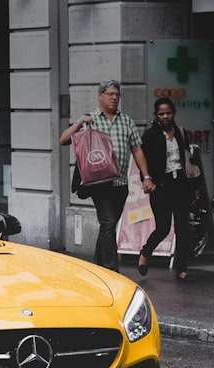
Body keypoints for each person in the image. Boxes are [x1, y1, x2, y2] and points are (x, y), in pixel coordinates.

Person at [60, 80, 151, 272]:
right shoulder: (91, 118)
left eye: (117, 95)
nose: (114, 98)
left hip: (121, 183)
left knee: (107, 225)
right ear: (100, 96)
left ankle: (97, 267)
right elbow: (63, 140)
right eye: (110, 94)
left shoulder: (126, 121)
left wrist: (146, 176)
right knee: (108, 222)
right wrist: (79, 124)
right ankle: (111, 270)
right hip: (99, 183)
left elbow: (137, 149)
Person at [136, 96, 195, 282]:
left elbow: (188, 161)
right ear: (156, 115)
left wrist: (195, 186)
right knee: (163, 227)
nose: (165, 116)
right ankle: (146, 252)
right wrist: (147, 181)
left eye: (168, 113)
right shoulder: (150, 135)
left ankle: (181, 269)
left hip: (180, 184)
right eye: (161, 114)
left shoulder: (180, 132)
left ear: (173, 113)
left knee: (182, 228)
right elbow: (142, 161)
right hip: (160, 186)